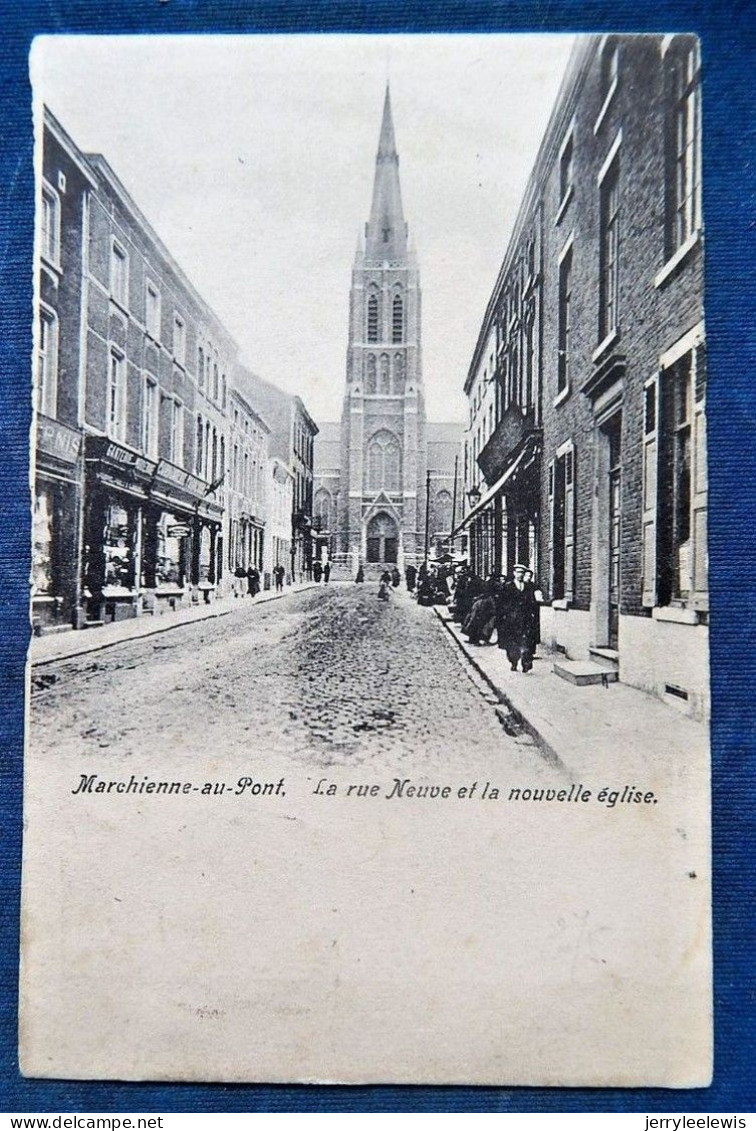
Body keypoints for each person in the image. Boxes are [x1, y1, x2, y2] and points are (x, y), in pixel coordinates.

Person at [496, 563, 538, 672]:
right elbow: (501, 603)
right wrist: (504, 616)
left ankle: (526, 664)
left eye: (522, 573)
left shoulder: (528, 587)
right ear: (514, 573)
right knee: (512, 644)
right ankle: (513, 662)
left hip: (525, 619)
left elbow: (532, 602)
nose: (520, 575)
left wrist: (532, 614)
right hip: (511, 620)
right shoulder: (507, 586)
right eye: (518, 572)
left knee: (527, 643)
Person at [462, 576, 498, 645]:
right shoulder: (485, 585)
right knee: (481, 622)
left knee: (476, 621)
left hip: (481, 603)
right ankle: (477, 639)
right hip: (483, 604)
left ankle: (475, 639)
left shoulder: (484, 584)